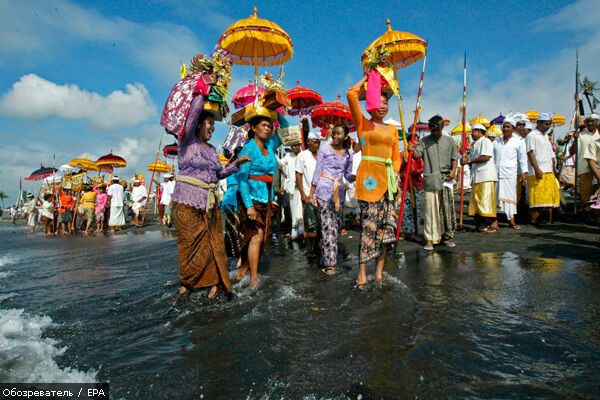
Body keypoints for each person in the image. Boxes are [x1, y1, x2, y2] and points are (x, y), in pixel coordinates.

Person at [172, 109, 249, 300]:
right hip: (186, 202)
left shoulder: (213, 150)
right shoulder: (187, 142)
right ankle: (188, 283)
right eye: (209, 123)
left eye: (214, 125)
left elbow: (219, 174)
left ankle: (215, 282)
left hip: (210, 203)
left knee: (214, 244)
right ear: (197, 123)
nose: (213, 128)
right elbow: (191, 116)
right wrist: (202, 89)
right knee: (189, 245)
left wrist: (236, 164)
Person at [348, 76, 401, 290]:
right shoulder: (362, 123)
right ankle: (362, 274)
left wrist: (395, 172)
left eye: (386, 102)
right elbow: (351, 93)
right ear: (370, 105)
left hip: (389, 183)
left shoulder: (392, 130)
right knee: (369, 228)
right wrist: (368, 77)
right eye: (378, 102)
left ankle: (378, 272)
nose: (383, 106)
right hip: (369, 181)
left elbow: (397, 156)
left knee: (386, 230)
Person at [236, 107, 283, 289]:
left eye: (270, 125)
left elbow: (285, 130)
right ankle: (254, 278)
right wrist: (249, 206)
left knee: (262, 239)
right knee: (256, 236)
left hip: (267, 198)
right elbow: (242, 180)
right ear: (253, 128)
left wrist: (276, 109)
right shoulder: (248, 149)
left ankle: (245, 269)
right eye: (264, 125)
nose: (268, 128)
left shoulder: (271, 145)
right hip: (250, 198)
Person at [308, 124, 353, 275]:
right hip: (323, 190)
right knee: (328, 226)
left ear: (345, 136)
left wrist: (356, 177)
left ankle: (323, 252)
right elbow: (317, 171)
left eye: (338, 133)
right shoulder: (324, 149)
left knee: (335, 226)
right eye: (333, 133)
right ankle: (329, 263)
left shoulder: (349, 153)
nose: (334, 136)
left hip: (338, 193)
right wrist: (311, 193)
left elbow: (347, 175)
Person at [411, 115, 459, 251]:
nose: (435, 133)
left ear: (442, 128)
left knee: (447, 210)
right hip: (431, 179)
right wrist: (411, 148)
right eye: (432, 131)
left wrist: (454, 171)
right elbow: (416, 155)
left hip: (446, 179)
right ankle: (430, 239)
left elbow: (455, 158)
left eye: (437, 130)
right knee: (431, 210)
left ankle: (446, 237)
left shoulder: (450, 141)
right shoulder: (424, 141)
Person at [493, 118, 528, 229]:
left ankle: (511, 221)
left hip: (510, 173)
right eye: (504, 126)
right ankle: (495, 220)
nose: (506, 129)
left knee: (510, 197)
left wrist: (524, 173)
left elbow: (522, 158)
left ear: (513, 128)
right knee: (496, 196)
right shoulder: (496, 141)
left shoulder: (519, 141)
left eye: (508, 127)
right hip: (496, 173)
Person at [525, 113, 560, 225]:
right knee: (537, 199)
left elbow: (551, 155)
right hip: (538, 171)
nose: (548, 126)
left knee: (549, 199)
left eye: (549, 124)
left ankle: (548, 220)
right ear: (538, 123)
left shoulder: (546, 137)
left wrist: (554, 168)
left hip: (549, 171)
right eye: (546, 124)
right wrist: (537, 169)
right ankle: (534, 220)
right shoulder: (531, 136)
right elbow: (530, 153)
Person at [463, 123, 498, 232]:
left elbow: (486, 157)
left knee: (486, 201)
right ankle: (482, 225)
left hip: (486, 176)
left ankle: (493, 224)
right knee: (478, 202)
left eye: (473, 131)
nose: (472, 134)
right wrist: (466, 158)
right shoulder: (475, 144)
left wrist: (469, 160)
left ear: (479, 131)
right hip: (477, 176)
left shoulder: (486, 141)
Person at [296, 129, 321, 246]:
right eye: (315, 142)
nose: (317, 145)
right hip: (308, 194)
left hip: (321, 194)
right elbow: (298, 175)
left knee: (320, 222)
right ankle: (310, 250)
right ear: (308, 142)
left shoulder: (321, 155)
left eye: (319, 142)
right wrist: (302, 194)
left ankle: (318, 247)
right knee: (309, 223)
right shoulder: (302, 156)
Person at [571, 114, 600, 206]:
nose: (590, 123)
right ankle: (588, 213)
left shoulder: (599, 134)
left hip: (598, 168)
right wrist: (575, 140)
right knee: (586, 193)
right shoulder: (580, 135)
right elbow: (571, 151)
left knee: (597, 192)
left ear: (597, 122)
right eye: (587, 121)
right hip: (584, 168)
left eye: (592, 121)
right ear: (585, 123)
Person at [400, 133, 425, 241]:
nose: (415, 143)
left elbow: (422, 168)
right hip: (405, 185)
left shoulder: (419, 156)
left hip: (417, 185)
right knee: (405, 210)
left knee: (417, 210)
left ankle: (415, 232)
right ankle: (405, 232)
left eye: (417, 141)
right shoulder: (403, 154)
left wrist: (414, 171)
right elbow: (398, 168)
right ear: (408, 142)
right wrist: (405, 164)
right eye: (413, 141)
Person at [280, 142, 303, 239]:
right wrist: (271, 150)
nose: (294, 147)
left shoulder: (304, 155)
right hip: (292, 188)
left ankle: (302, 232)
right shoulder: (288, 156)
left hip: (304, 188)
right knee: (294, 211)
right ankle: (294, 233)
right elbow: (280, 163)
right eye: (292, 146)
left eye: (296, 145)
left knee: (301, 211)